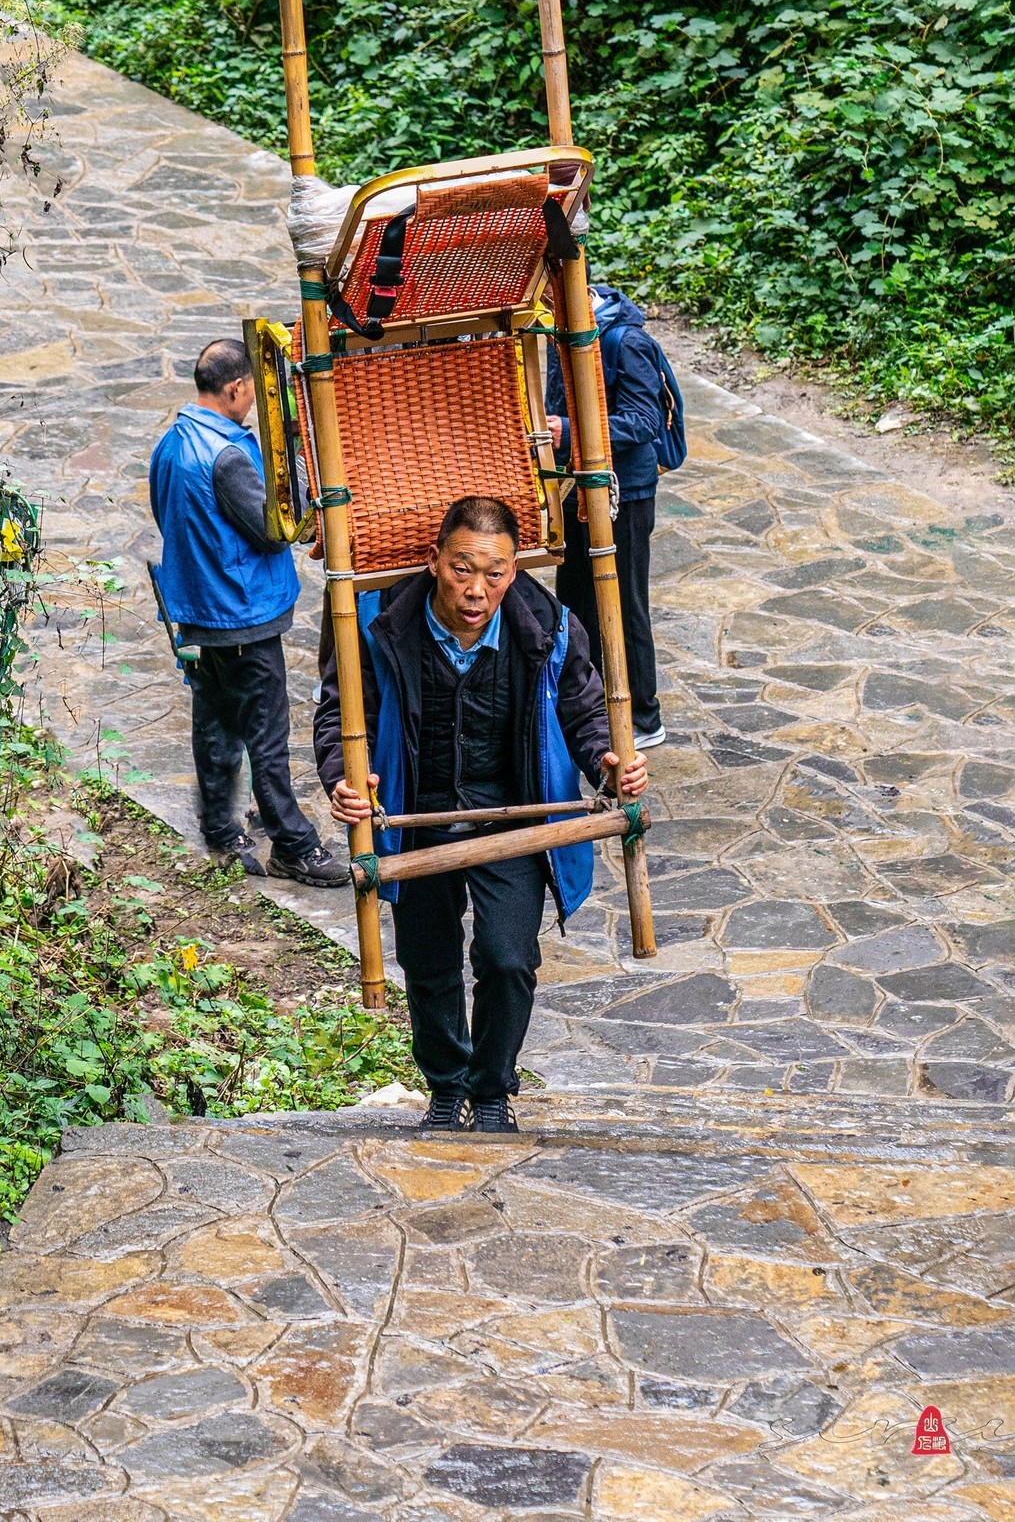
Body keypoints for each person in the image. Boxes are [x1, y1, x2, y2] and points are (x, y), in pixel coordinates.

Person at [317, 495, 648, 1133]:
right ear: (433, 560)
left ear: (516, 569)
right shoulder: (373, 622)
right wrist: (344, 779)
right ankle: (446, 1086)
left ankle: (493, 1088)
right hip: (418, 814)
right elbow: (339, 714)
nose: (476, 590)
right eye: (462, 569)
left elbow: (582, 710)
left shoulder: (549, 625)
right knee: (429, 959)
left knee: (507, 957)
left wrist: (609, 761)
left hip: (513, 815)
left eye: (494, 574)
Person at [149, 339, 346, 887]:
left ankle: (218, 826)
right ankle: (293, 842)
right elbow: (271, 529)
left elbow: (166, 516)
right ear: (236, 388)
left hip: (200, 610)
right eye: (251, 392)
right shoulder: (229, 456)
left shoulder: (172, 443)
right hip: (242, 614)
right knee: (266, 731)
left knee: (214, 719)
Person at [546, 284, 686, 748]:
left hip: (625, 490)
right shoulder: (556, 333)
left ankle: (644, 717)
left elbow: (644, 421)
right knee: (576, 602)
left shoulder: (626, 341)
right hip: (575, 484)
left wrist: (568, 429)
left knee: (624, 603)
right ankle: (590, 706)